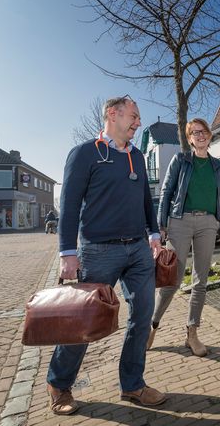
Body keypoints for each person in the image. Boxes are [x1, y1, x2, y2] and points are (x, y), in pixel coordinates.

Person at [47, 95, 166, 415]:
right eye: (134, 116)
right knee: (83, 322)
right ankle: (59, 383)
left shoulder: (138, 157)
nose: (138, 122)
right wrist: (67, 253)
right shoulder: (85, 153)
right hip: (98, 251)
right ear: (113, 114)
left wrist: (154, 233)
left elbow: (145, 199)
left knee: (142, 316)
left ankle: (132, 384)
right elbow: (68, 205)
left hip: (138, 249)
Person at [148, 117, 220, 356]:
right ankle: (152, 325)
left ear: (209, 135)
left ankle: (192, 333)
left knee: (200, 281)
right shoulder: (181, 160)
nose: (200, 135)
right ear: (189, 138)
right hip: (180, 221)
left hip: (207, 223)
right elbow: (166, 191)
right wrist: (162, 224)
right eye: (194, 133)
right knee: (171, 280)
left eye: (203, 131)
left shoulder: (218, 166)